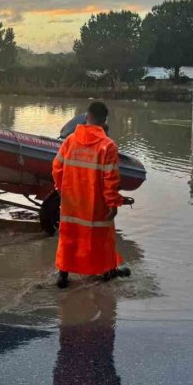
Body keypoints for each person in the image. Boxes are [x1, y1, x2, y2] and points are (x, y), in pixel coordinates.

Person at [52, 101, 133, 289]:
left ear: (86, 117)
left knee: (69, 237)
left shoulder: (70, 141)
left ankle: (63, 276)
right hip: (96, 204)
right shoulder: (107, 146)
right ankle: (108, 271)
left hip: (71, 201)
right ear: (104, 121)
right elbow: (110, 178)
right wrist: (113, 203)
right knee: (102, 238)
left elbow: (57, 168)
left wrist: (61, 190)